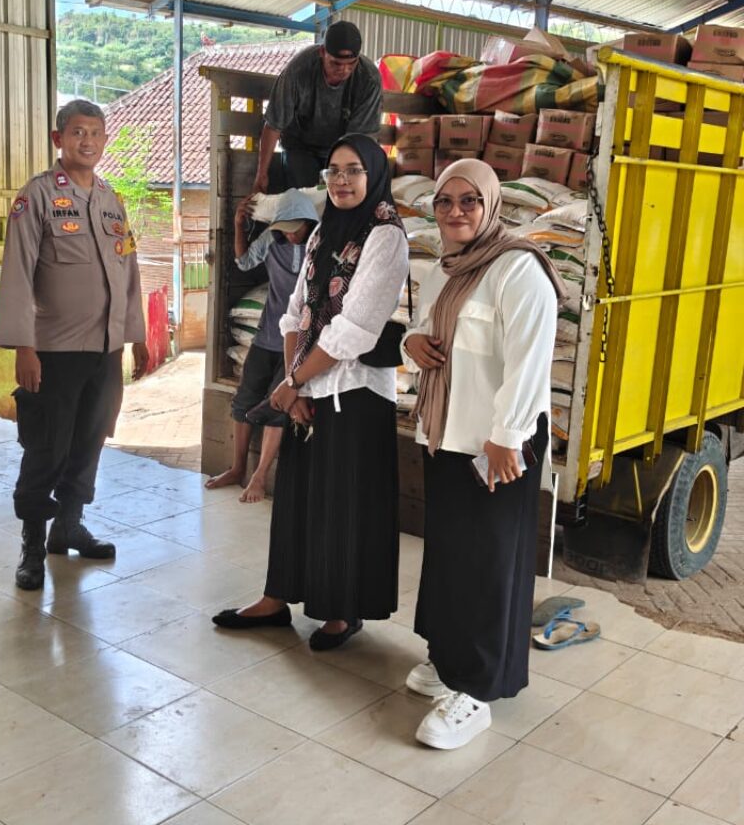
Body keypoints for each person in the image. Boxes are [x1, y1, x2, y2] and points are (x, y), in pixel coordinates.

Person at [213, 134, 408, 649]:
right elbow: (296, 311)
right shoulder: (323, 233)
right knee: (298, 497)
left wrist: (296, 380)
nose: (342, 181)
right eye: (334, 171)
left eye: (353, 171)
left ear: (374, 175)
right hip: (308, 385)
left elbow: (355, 328)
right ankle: (278, 597)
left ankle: (342, 611)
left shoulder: (386, 237)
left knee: (342, 503)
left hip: (356, 392)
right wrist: (293, 382)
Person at [401, 159, 564, 750]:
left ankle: (476, 691)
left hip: (497, 441)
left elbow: (529, 361)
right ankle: (447, 659)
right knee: (449, 556)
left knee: (490, 563)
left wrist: (508, 435)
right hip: (447, 435)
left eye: (469, 200)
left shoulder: (518, 269)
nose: (455, 212)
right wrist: (409, 341)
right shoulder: (447, 269)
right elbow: (422, 330)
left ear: (491, 204)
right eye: (445, 201)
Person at [0, 99, 149, 591]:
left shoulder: (110, 199)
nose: (88, 141)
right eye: (78, 132)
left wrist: (137, 337)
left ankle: (69, 526)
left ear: (105, 141)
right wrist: (23, 346)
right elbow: (17, 274)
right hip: (54, 352)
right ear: (58, 138)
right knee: (47, 446)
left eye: (96, 133)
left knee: (89, 441)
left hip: (105, 351)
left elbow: (129, 271)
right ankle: (32, 545)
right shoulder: (37, 197)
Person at [205, 190, 319, 503]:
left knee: (277, 405)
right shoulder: (272, 242)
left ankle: (259, 476)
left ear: (310, 223)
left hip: (299, 343)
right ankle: (237, 468)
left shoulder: (320, 247)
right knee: (243, 401)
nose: (290, 234)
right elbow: (243, 263)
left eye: (296, 228)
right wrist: (239, 225)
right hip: (267, 335)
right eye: (284, 228)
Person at [252, 20, 383, 194]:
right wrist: (261, 174)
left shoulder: (369, 79)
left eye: (351, 64)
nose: (344, 70)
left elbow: (358, 140)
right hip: (300, 145)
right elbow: (274, 124)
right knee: (305, 196)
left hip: (343, 148)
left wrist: (343, 175)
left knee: (342, 197)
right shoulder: (299, 70)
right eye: (335, 63)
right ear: (322, 52)